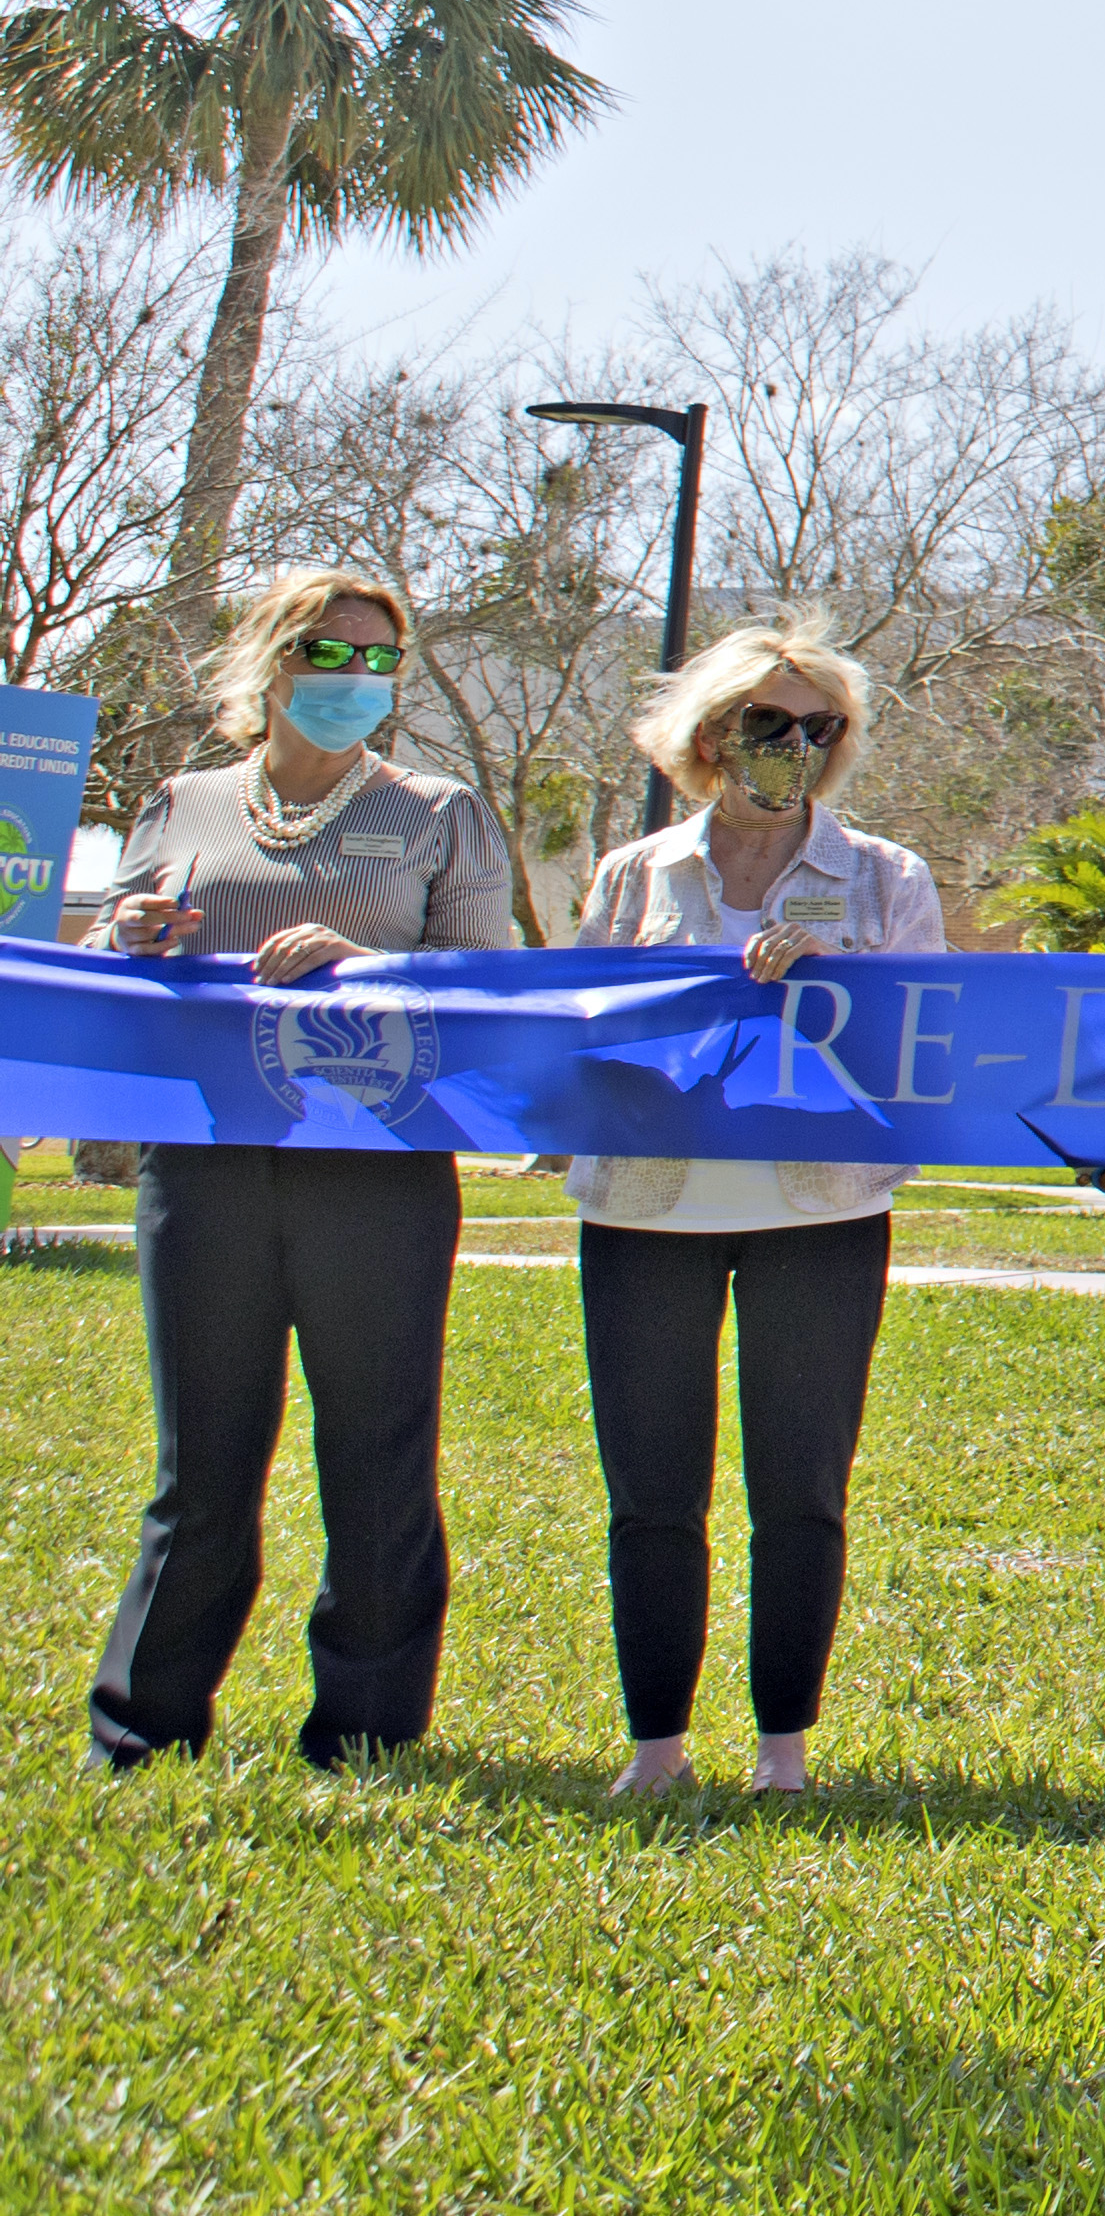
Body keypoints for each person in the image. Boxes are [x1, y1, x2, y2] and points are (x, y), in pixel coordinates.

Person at [79, 564, 521, 1774]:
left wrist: (366, 961)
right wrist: (132, 935)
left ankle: (365, 1727)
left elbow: (491, 989)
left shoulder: (441, 811)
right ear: (269, 661)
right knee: (203, 1454)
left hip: (375, 1166)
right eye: (327, 652)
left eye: (379, 657)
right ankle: (143, 1725)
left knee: (376, 1446)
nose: (354, 678)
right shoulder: (182, 800)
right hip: (209, 1155)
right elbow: (119, 950)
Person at [569, 629, 948, 1799]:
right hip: (645, 1209)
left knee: (801, 1486)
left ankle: (782, 1747)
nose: (793, 747)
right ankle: (657, 1748)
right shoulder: (637, 873)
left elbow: (926, 1054)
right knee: (652, 1492)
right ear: (707, 733)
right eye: (767, 723)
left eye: (817, 728)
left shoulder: (887, 877)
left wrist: (844, 980)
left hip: (820, 1211)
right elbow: (578, 1031)